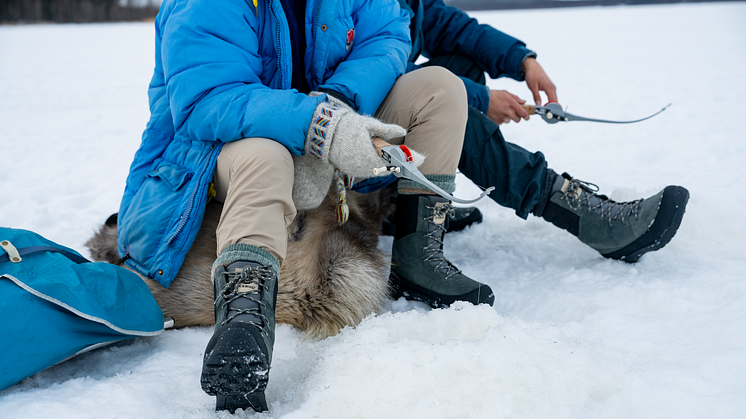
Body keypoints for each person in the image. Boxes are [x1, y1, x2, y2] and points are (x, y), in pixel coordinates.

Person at [115, 0, 492, 413]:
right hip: (213, 156)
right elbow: (208, 99)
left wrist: (337, 102)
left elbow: (385, 38)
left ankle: (420, 256)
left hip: (322, 122)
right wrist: (318, 126)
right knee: (265, 156)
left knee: (438, 87)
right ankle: (244, 322)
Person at [352, 0, 688, 309]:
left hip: (379, 122)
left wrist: (523, 61)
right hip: (350, 140)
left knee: (460, 67)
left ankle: (410, 205)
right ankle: (579, 213)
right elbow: (378, 67)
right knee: (445, 96)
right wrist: (482, 98)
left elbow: (452, 27)